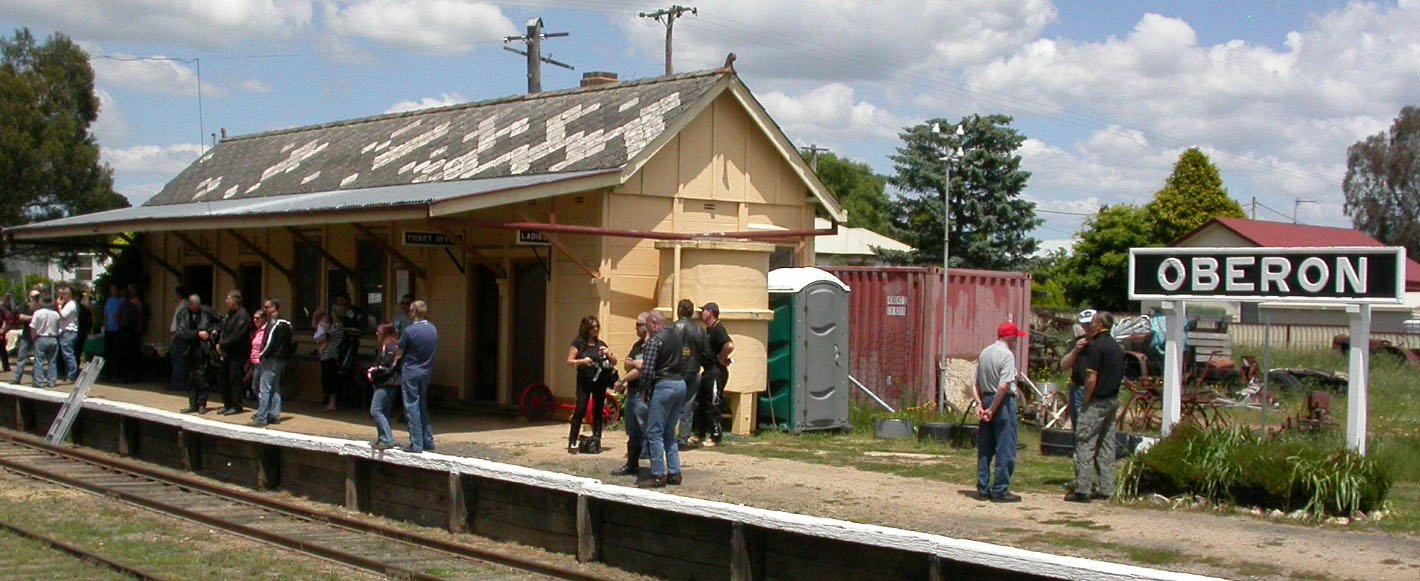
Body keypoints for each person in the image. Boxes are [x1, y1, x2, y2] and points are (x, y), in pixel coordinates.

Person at [1066, 311, 1126, 503]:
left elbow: (1091, 377)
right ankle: (1106, 488)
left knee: (1085, 442)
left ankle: (1083, 489)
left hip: (1097, 400)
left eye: (1092, 323)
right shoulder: (1116, 347)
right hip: (1112, 399)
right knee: (1107, 445)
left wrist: (1086, 399)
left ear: (1099, 325)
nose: (1090, 326)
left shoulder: (1097, 347)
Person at [973, 321, 1028, 503]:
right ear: (1010, 337)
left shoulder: (985, 352)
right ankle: (1000, 489)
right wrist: (992, 409)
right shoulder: (1007, 355)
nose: (1016, 342)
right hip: (1001, 402)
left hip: (986, 396)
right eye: (1016, 338)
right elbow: (1004, 386)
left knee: (985, 446)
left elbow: (976, 384)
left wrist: (980, 404)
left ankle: (983, 487)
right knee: (1005, 446)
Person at [637, 311, 687, 488]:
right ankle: (674, 472)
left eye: (647, 325)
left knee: (654, 431)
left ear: (653, 324)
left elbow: (648, 370)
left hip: (664, 385)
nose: (647, 328)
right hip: (680, 384)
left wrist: (644, 389)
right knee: (669, 432)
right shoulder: (676, 338)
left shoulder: (655, 340)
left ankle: (658, 474)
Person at [566, 315, 617, 454]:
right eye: (592, 327)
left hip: (599, 380)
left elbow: (614, 361)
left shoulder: (601, 344)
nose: (595, 330)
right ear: (586, 328)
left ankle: (596, 439)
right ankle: (573, 440)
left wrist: (608, 354)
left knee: (598, 410)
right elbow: (569, 361)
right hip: (584, 380)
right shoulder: (579, 343)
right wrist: (582, 361)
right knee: (580, 408)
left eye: (597, 327)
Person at [610, 312, 651, 476]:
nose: (635, 328)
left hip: (643, 393)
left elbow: (642, 369)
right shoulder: (637, 345)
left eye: (638, 325)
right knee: (632, 430)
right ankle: (632, 464)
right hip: (633, 393)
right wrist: (634, 363)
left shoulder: (652, 345)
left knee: (647, 429)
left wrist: (622, 381)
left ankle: (656, 469)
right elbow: (628, 362)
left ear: (647, 325)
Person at [397, 300, 437, 453]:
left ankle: (416, 443)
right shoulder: (433, 329)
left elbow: (399, 352)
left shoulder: (409, 331)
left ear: (413, 312)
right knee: (422, 405)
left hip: (411, 371)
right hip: (426, 371)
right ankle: (428, 440)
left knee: (411, 406)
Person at [694, 302, 734, 445]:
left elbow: (729, 345)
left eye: (703, 311)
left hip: (716, 371)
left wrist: (722, 358)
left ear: (710, 312)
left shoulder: (718, 329)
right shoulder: (708, 330)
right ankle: (700, 434)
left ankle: (716, 436)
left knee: (713, 403)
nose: (700, 314)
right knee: (701, 402)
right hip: (708, 371)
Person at [250, 299, 292, 427]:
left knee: (264, 389)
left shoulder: (273, 323)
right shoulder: (287, 323)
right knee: (274, 388)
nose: (265, 309)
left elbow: (270, 342)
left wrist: (262, 355)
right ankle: (274, 414)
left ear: (274, 308)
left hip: (272, 358)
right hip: (281, 359)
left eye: (267, 307)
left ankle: (262, 417)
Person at [671, 299, 707, 449]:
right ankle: (683, 438)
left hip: (676, 370)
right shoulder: (700, 330)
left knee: (671, 403)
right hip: (693, 369)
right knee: (688, 405)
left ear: (680, 310)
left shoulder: (675, 327)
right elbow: (705, 351)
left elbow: (669, 346)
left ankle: (669, 435)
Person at [174, 294, 218, 414]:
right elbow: (181, 332)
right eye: (194, 306)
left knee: (201, 378)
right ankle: (192, 404)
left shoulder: (207, 311)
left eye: (198, 306)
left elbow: (221, 321)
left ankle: (201, 404)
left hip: (203, 349)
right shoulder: (182, 314)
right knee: (190, 378)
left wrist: (214, 330)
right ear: (189, 304)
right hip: (188, 350)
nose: (196, 308)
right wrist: (197, 334)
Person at [366, 323, 402, 450]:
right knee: (384, 411)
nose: (376, 334)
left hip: (388, 383)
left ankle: (388, 439)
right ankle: (382, 438)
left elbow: (389, 367)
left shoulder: (391, 348)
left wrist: (373, 371)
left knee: (375, 410)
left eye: (379, 332)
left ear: (386, 334)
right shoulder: (383, 347)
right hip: (382, 382)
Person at [216, 290, 253, 415]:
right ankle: (227, 404)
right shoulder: (230, 314)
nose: (226, 301)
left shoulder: (243, 315)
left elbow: (238, 335)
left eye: (228, 299)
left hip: (237, 354)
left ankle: (236, 405)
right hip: (226, 354)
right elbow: (223, 328)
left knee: (235, 379)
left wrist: (223, 344)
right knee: (223, 379)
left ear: (235, 301)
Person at [1060, 309, 1096, 429]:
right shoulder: (1077, 342)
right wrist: (1075, 351)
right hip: (1077, 388)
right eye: (1084, 324)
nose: (1087, 328)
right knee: (1078, 425)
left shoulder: (1103, 343)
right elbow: (1064, 365)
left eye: (1089, 324)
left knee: (1090, 426)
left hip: (1096, 389)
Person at [319, 304, 349, 411]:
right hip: (326, 354)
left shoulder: (338, 325)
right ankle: (330, 402)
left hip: (332, 354)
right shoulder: (333, 324)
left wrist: (323, 326)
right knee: (327, 379)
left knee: (331, 379)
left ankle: (332, 403)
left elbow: (326, 335)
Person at [30, 296, 61, 389]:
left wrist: (33, 338)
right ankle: (52, 381)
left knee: (39, 361)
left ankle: (39, 381)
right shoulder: (56, 314)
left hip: (41, 337)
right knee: (52, 361)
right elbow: (58, 326)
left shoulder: (37, 313)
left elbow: (33, 327)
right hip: (53, 338)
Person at [13, 290, 39, 385]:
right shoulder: (24, 306)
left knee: (37, 358)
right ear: (29, 296)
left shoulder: (39, 306)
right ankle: (17, 378)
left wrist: (29, 317)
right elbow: (20, 317)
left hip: (37, 335)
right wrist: (34, 317)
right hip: (26, 334)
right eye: (33, 296)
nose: (34, 298)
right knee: (21, 357)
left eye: (36, 296)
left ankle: (35, 380)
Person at [56, 287, 81, 383]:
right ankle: (70, 374)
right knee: (67, 355)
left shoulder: (70, 304)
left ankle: (72, 375)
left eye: (65, 294)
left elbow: (62, 315)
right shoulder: (70, 304)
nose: (63, 296)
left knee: (68, 355)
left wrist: (59, 306)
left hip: (69, 332)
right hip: (67, 332)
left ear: (70, 295)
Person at [168, 286, 189, 392]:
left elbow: (182, 323)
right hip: (176, 334)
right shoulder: (180, 304)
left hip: (179, 336)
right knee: (175, 360)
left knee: (179, 360)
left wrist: (176, 334)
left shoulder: (184, 305)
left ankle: (179, 383)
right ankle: (175, 382)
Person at [102, 283, 124, 381]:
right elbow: (106, 315)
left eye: (115, 289)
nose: (113, 291)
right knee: (108, 352)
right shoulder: (109, 301)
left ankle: (116, 374)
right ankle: (108, 374)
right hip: (109, 329)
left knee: (116, 353)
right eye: (112, 289)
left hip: (118, 329)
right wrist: (104, 325)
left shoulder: (122, 301)